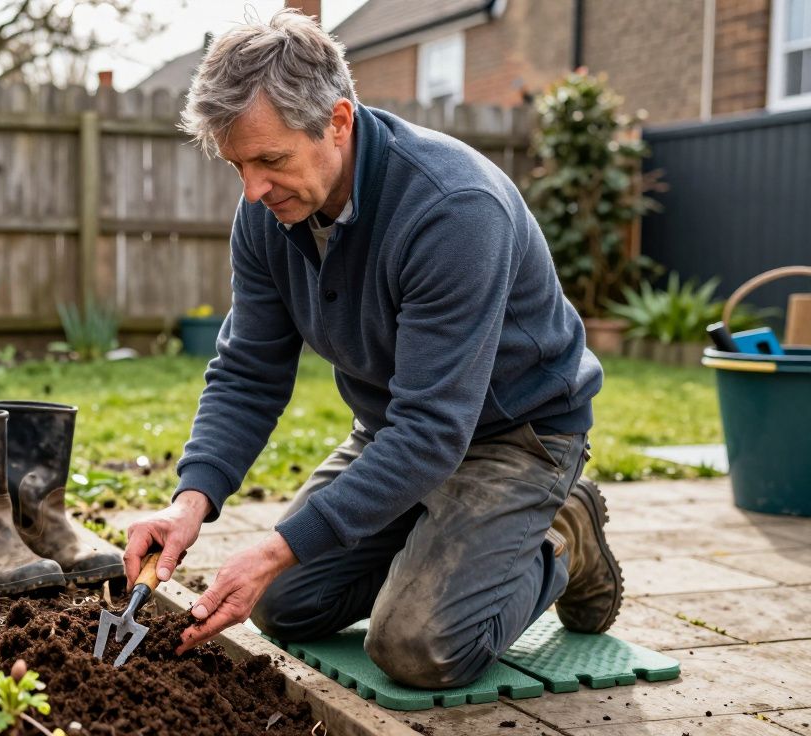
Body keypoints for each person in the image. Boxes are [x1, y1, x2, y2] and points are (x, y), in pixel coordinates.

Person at [122, 9, 622, 689]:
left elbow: (435, 428)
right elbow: (248, 371)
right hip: (399, 431)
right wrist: (191, 501)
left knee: (418, 647)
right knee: (279, 603)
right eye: (239, 164)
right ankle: (441, 545)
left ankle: (563, 535)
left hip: (515, 436)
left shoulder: (453, 209)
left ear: (338, 122)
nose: (253, 190)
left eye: (270, 160)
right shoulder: (267, 215)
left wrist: (278, 545)